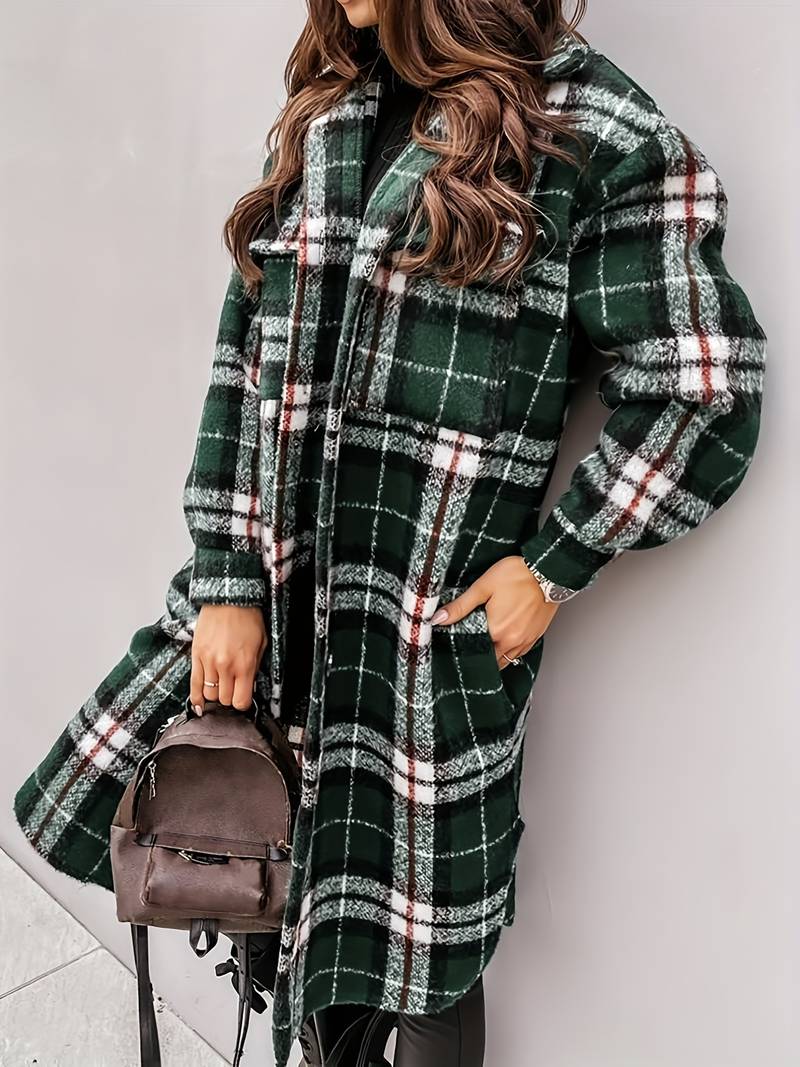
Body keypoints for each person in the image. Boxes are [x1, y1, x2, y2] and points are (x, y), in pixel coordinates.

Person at [13, 1, 766, 1065]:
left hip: (420, 648)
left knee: (420, 953)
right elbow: (243, 359)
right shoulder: (334, 105)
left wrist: (554, 565)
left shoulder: (592, 133)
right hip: (276, 613)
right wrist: (227, 575)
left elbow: (705, 388)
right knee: (284, 900)